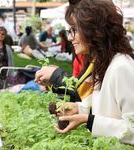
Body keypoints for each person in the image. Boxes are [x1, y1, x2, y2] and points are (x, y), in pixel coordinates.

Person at [35, 0, 134, 145]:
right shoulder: (104, 63)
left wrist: (88, 120)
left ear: (95, 30)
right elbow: (107, 107)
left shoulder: (121, 66)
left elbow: (131, 128)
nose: (70, 37)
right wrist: (78, 108)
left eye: (74, 30)